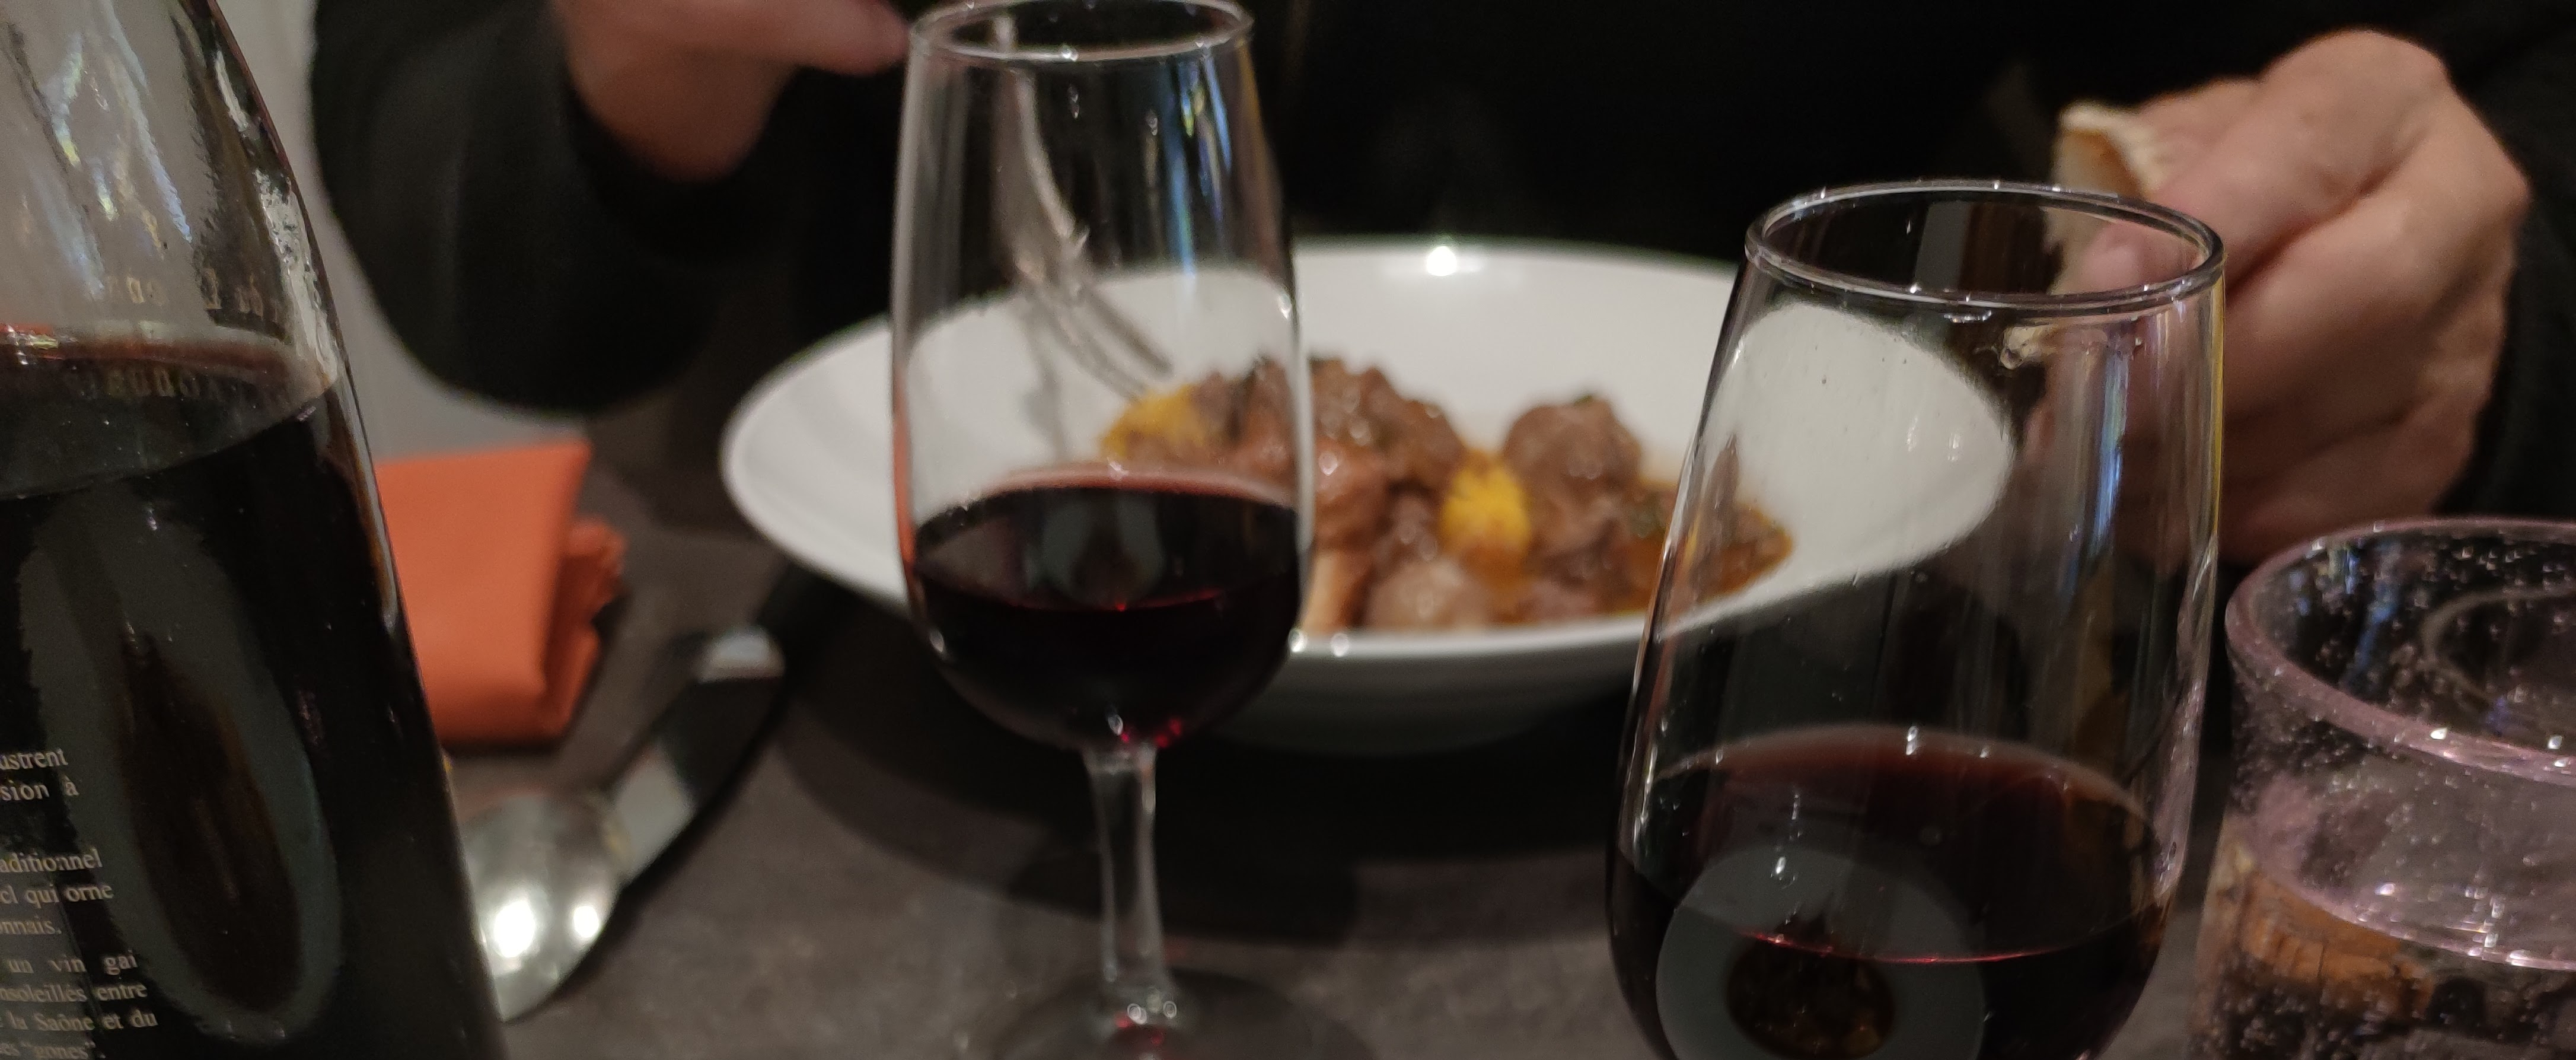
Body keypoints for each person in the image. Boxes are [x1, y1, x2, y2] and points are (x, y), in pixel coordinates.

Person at [311, 0, 2574, 553]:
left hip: (1835, 711)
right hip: (859, 753)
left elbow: (2496, 94)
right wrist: (612, 71)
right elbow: (448, 231)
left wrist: (2463, 303)